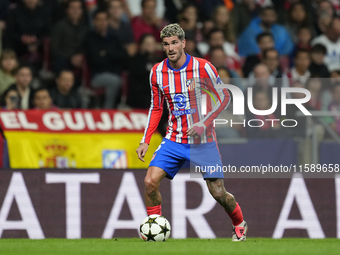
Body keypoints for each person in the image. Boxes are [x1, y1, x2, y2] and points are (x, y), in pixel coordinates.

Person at [136, 23, 248, 241]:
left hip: (203, 141)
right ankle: (154, 229)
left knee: (218, 193)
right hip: (173, 140)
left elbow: (224, 97)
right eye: (166, 44)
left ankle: (238, 223)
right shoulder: (157, 72)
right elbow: (157, 108)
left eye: (174, 43)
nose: (170, 48)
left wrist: (204, 124)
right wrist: (145, 140)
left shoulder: (203, 67)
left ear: (183, 43)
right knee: (150, 182)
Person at [85, 9, 128, 108]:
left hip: (115, 72)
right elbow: (95, 61)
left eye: (104, 20)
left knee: (120, 79)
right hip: (97, 76)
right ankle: (108, 109)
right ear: (94, 22)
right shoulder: (90, 38)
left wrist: (106, 53)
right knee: (115, 81)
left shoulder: (114, 38)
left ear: (108, 21)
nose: (102, 23)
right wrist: (113, 57)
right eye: (99, 20)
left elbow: (123, 56)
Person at [50, 0, 88, 74]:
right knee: (59, 62)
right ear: (67, 10)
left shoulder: (86, 27)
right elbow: (54, 49)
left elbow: (89, 46)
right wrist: (70, 58)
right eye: (72, 8)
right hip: (64, 58)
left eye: (78, 8)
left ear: (82, 11)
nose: (75, 11)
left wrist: (81, 56)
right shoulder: (59, 26)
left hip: (81, 58)